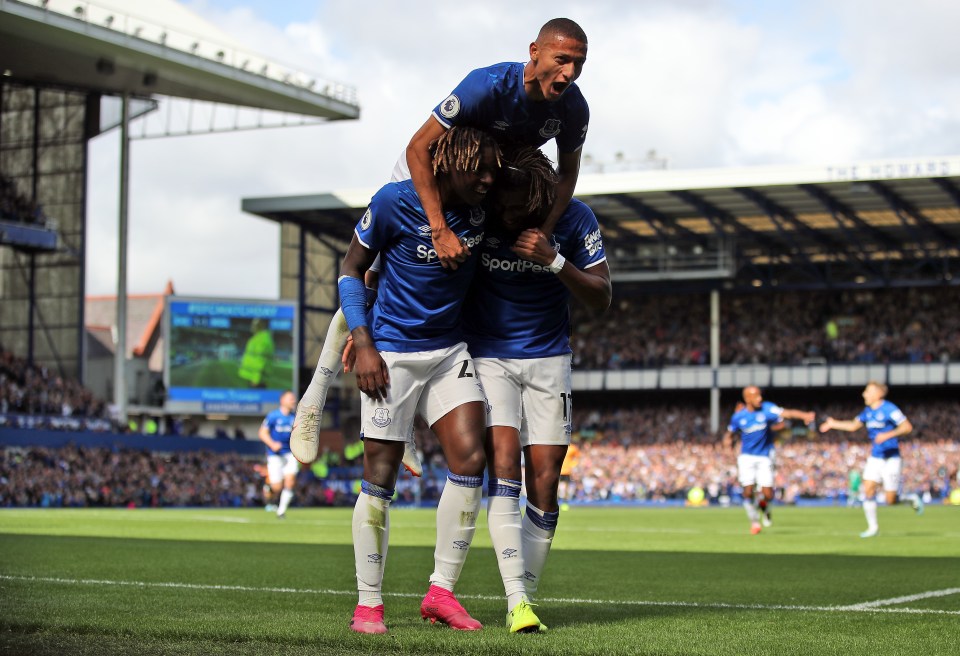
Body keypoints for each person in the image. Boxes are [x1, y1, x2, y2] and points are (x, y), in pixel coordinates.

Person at [291, 18, 590, 474]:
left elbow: (567, 175)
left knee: (457, 284)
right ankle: (313, 400)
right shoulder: (486, 85)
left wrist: (546, 229)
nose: (569, 73)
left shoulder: (572, 110)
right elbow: (417, 149)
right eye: (561, 59)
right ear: (535, 52)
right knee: (371, 282)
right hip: (428, 178)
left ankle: (404, 419)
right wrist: (437, 227)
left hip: (478, 190)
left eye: (579, 64)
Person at [342, 126, 499, 635]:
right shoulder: (393, 202)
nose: (488, 178)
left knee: (471, 459)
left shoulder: (480, 209)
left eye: (492, 169)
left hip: (449, 350)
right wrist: (362, 340)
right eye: (479, 168)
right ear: (450, 162)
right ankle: (369, 604)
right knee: (380, 477)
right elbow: (352, 268)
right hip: (391, 355)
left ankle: (441, 593)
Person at [462, 144, 611, 631]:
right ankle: (517, 602)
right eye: (498, 206)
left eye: (514, 208)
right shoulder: (482, 214)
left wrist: (553, 260)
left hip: (550, 361)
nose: (503, 216)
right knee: (503, 465)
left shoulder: (575, 218)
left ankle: (522, 593)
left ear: (539, 198)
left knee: (545, 480)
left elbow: (602, 295)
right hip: (489, 357)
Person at [819, 381, 923, 538]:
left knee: (890, 500)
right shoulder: (867, 412)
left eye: (867, 391)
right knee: (868, 488)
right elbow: (853, 426)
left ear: (878, 394)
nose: (864, 394)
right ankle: (873, 528)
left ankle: (910, 499)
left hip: (892, 458)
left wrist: (888, 435)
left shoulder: (889, 409)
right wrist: (834, 423)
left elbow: (907, 427)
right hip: (876, 457)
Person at [723, 386, 815, 534]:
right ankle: (754, 522)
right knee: (747, 492)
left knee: (768, 494)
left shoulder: (767, 409)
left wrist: (804, 415)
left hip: (764, 456)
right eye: (755, 396)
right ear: (747, 399)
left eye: (760, 395)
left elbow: (787, 413)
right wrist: (727, 444)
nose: (759, 398)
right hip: (746, 457)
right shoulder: (739, 417)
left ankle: (765, 509)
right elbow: (729, 434)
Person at [258, 390, 298, 518]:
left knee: (290, 482)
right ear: (282, 400)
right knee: (277, 487)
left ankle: (281, 511)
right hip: (275, 455)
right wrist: (272, 444)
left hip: (290, 454)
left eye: (293, 398)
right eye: (290, 398)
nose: (293, 400)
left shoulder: (295, 417)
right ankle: (269, 488)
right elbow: (262, 433)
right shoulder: (273, 416)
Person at [238, 317, 274, 388]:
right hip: (252, 377)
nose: (251, 327)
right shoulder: (257, 338)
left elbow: (261, 361)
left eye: (254, 325)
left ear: (259, 326)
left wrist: (256, 378)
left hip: (257, 380)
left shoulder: (263, 340)